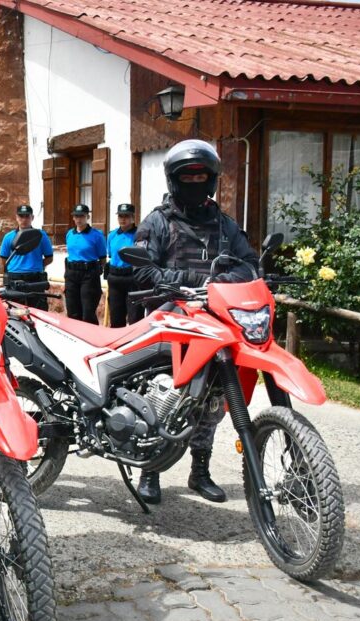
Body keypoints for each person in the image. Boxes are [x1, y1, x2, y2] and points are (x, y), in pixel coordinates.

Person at [133, 139, 260, 505]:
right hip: (170, 323)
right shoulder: (158, 222)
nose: (194, 182)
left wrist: (231, 280)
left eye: (201, 176)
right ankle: (150, 470)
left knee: (213, 401)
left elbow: (249, 263)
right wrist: (187, 282)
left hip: (217, 323)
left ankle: (199, 470)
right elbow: (142, 271)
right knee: (163, 397)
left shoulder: (224, 225)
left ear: (212, 180)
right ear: (174, 180)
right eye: (187, 176)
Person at [0, 203, 54, 310]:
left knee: (39, 310)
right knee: (15, 311)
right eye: (21, 216)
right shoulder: (9, 237)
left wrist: (36, 265)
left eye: (27, 216)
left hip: (35, 279)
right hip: (15, 278)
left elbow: (49, 257)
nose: (24, 219)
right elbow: (3, 259)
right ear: (16, 217)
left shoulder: (40, 235)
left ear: (32, 217)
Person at [64, 203, 106, 324]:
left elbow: (102, 258)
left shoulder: (96, 235)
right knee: (72, 311)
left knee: (88, 312)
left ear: (88, 217)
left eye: (82, 216)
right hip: (71, 274)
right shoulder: (70, 234)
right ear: (73, 218)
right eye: (76, 216)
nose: (79, 219)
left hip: (88, 275)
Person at [105, 203, 144, 328]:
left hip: (133, 278)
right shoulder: (112, 235)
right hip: (115, 278)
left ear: (133, 217)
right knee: (116, 317)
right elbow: (111, 255)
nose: (123, 219)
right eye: (120, 216)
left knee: (135, 317)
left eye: (126, 216)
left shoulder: (140, 234)